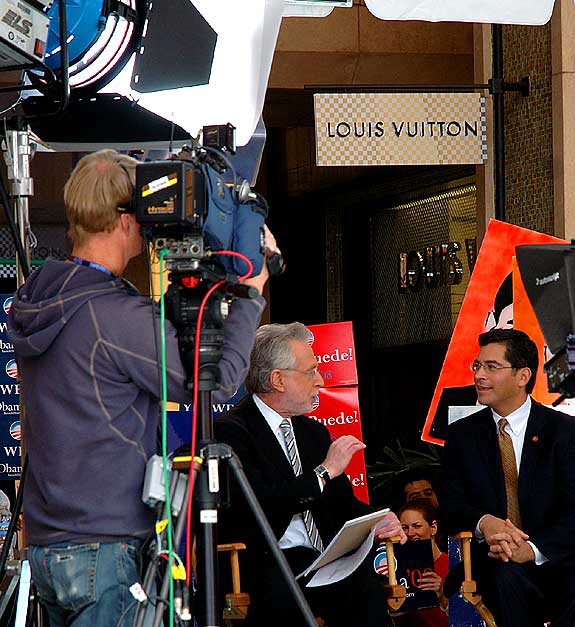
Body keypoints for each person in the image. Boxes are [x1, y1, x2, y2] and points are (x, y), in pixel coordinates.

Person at [7, 149, 272, 626]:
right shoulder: (112, 316)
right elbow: (217, 381)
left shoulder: (44, 295)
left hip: (51, 546)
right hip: (105, 551)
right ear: (126, 221)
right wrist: (251, 295)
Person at [214, 322, 405, 627]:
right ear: (278, 379)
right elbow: (261, 506)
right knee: (283, 598)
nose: (319, 381)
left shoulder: (313, 432)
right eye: (311, 371)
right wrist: (324, 471)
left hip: (322, 559)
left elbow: (342, 502)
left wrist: (377, 518)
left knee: (366, 589)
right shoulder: (231, 432)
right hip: (265, 561)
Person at [442, 328, 575, 627]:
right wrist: (483, 522)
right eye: (477, 366)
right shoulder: (463, 436)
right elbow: (451, 507)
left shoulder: (564, 433)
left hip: (554, 556)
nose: (479, 375)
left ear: (522, 376)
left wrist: (532, 549)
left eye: (492, 367)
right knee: (504, 576)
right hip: (494, 560)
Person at [394, 498, 448, 627]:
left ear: (433, 527)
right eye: (405, 528)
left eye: (417, 526)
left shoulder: (453, 564)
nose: (411, 533)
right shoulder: (396, 568)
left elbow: (468, 617)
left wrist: (442, 594)